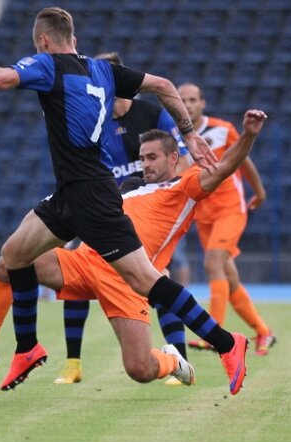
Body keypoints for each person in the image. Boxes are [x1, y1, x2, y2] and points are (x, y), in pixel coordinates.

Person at [0, 7, 249, 396]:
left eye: (37, 45)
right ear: (73, 38)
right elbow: (163, 84)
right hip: (70, 192)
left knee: (145, 280)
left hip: (91, 194)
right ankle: (23, 347)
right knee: (13, 255)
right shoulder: (104, 70)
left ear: (43, 41)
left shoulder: (48, 64)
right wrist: (189, 133)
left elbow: (3, 78)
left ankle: (227, 343)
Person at [0, 112, 266, 396]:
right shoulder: (128, 187)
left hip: (128, 281)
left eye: (153, 157)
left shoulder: (185, 187)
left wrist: (248, 135)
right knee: (10, 262)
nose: (145, 164)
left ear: (173, 158)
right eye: (142, 158)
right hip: (84, 261)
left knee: (140, 369)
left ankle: (174, 361)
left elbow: (224, 167)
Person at [56, 51, 192, 386]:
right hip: (105, 212)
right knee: (76, 275)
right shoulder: (94, 120)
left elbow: (182, 162)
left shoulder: (152, 115)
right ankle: (73, 364)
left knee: (159, 279)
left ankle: (180, 359)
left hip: (148, 212)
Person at [178, 83, 276, 355]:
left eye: (192, 99)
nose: (188, 104)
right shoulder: (175, 137)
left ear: (202, 103)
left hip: (230, 208)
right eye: (182, 100)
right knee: (229, 278)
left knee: (212, 264)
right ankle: (264, 332)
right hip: (203, 213)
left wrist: (259, 192)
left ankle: (214, 333)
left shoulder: (223, 129)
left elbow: (244, 160)